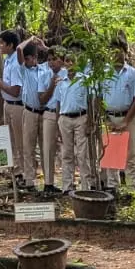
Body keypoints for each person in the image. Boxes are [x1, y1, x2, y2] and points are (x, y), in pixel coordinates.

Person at [100, 41, 135, 190]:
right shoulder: (104, 73)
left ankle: (133, 188)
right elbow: (97, 98)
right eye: (112, 50)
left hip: (128, 117)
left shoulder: (133, 73)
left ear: (124, 52)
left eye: (118, 50)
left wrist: (126, 121)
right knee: (111, 154)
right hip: (109, 117)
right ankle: (113, 187)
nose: (115, 54)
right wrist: (106, 119)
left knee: (131, 153)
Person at [54, 52, 96, 193]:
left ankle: (86, 186)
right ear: (64, 63)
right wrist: (57, 123)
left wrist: (90, 120)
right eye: (67, 61)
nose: (70, 64)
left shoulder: (85, 80)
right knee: (67, 153)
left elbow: (90, 101)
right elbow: (58, 103)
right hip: (65, 118)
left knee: (82, 154)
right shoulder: (61, 82)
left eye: (73, 61)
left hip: (81, 118)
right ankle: (67, 186)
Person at [0, 30, 29, 186]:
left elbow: (16, 91)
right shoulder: (8, 60)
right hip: (7, 104)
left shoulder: (16, 64)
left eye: (2, 43)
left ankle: (24, 173)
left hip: (17, 106)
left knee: (20, 141)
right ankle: (16, 172)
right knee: (11, 141)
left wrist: (1, 84)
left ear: (10, 45)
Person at [18, 40, 52, 193]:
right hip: (30, 112)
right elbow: (19, 49)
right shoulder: (24, 70)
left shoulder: (45, 69)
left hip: (44, 112)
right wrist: (30, 39)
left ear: (35, 57)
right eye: (25, 59)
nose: (28, 61)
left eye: (30, 58)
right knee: (29, 147)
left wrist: (45, 47)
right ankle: (30, 180)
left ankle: (48, 182)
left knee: (46, 147)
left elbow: (59, 58)